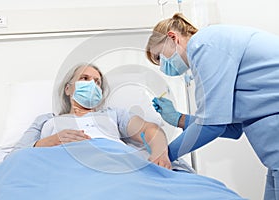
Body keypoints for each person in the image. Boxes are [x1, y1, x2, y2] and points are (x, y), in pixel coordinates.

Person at [145, 12, 279, 199]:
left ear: (172, 37)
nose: (162, 67)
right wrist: (178, 118)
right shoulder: (208, 52)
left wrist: (164, 153)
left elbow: (211, 125)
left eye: (159, 57)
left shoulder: (203, 44)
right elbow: (231, 129)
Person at [14, 63, 172, 170]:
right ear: (68, 89)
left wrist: (160, 153)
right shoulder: (46, 120)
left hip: (110, 163)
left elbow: (149, 129)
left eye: (97, 82)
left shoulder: (113, 114)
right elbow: (15, 156)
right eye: (84, 78)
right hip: (60, 165)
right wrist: (51, 141)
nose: (92, 84)